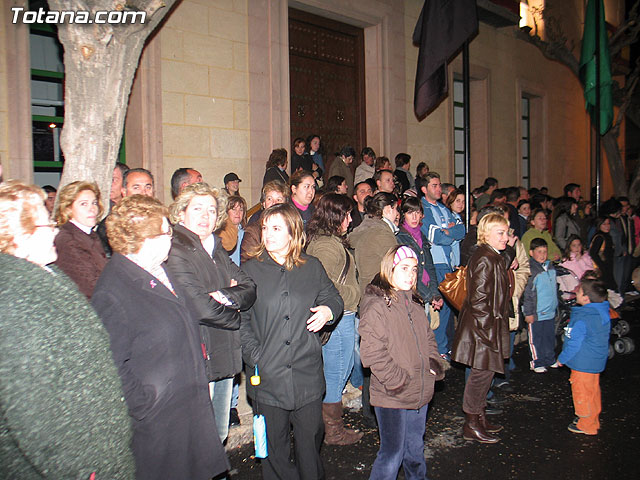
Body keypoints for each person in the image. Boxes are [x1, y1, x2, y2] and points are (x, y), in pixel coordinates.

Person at [0, 181, 135, 479]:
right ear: (17, 234)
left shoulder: (44, 277)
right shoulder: (17, 301)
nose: (54, 228)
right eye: (44, 221)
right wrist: (92, 469)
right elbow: (38, 417)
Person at [92, 195, 229, 480]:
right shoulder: (114, 289)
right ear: (145, 238)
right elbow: (109, 365)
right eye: (167, 233)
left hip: (187, 407)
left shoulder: (160, 270)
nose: (172, 239)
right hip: (160, 422)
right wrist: (146, 402)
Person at [240, 203, 343, 480]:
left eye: (276, 228)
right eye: (264, 228)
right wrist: (255, 355)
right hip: (268, 377)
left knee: (310, 444)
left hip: (306, 373)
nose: (268, 234)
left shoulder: (311, 267)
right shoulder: (250, 271)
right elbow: (241, 320)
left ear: (293, 232)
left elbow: (333, 298)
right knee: (275, 452)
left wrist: (328, 311)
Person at [165, 183, 257, 444]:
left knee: (218, 434)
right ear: (181, 213)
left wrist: (226, 296)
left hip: (224, 352)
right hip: (197, 355)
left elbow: (250, 288)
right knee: (197, 439)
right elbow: (199, 307)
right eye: (198, 209)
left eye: (211, 209)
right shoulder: (175, 249)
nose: (206, 216)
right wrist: (236, 316)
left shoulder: (216, 248)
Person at [359, 245, 443, 480]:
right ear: (390, 270)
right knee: (392, 454)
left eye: (414, 269)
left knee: (415, 449)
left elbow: (428, 339)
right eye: (404, 268)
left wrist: (433, 365)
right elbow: (372, 353)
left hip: (419, 390)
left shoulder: (415, 305)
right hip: (392, 394)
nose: (411, 274)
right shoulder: (377, 306)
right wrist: (398, 381)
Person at [451, 213, 514, 444]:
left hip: (488, 326)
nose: (505, 237)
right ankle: (471, 424)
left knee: (486, 375)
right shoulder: (485, 258)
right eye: (501, 233)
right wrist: (488, 330)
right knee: (480, 377)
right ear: (485, 234)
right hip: (482, 328)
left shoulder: (492, 255)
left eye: (507, 233)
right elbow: (478, 300)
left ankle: (479, 416)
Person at [306, 194, 363, 445]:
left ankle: (329, 425)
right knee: (336, 372)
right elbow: (321, 287)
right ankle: (333, 431)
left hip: (343, 315)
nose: (350, 220)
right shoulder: (326, 246)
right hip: (338, 318)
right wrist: (354, 293)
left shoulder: (330, 241)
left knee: (341, 369)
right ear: (334, 216)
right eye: (346, 214)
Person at [349, 191, 399, 427]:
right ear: (387, 209)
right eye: (396, 209)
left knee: (372, 354)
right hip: (382, 300)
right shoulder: (383, 233)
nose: (398, 214)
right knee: (384, 355)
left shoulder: (364, 229)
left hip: (367, 299)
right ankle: (380, 410)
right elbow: (395, 271)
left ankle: (370, 410)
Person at [419, 173, 465, 358]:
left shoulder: (444, 209)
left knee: (445, 308)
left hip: (448, 264)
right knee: (435, 308)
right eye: (435, 185)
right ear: (425, 189)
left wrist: (449, 232)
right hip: (435, 264)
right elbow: (437, 237)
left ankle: (441, 348)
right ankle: (433, 349)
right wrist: (448, 233)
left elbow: (461, 230)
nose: (439, 189)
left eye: (439, 185)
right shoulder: (423, 209)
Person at [557, 278, 611, 436]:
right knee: (592, 392)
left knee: (582, 393)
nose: (576, 292)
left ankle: (587, 425)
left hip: (583, 363)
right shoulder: (600, 312)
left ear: (586, 297)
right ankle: (592, 419)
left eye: (579, 291)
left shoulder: (583, 318)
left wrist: (562, 358)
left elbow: (574, 343)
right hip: (595, 361)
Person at [53, 181, 107, 298]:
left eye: (94, 203)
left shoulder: (89, 234)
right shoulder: (68, 240)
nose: (92, 209)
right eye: (83, 204)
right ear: (68, 208)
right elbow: (91, 286)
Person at [396, 196, 442, 311]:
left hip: (425, 292)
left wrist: (435, 294)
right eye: (410, 213)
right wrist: (430, 296)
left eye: (417, 212)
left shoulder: (422, 236)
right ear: (403, 215)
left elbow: (429, 267)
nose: (415, 217)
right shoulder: (400, 237)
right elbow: (407, 273)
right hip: (410, 294)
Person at [523, 238, 559, 373]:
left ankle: (549, 358)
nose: (543, 255)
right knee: (536, 338)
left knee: (549, 336)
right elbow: (528, 294)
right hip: (537, 313)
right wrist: (529, 313)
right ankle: (537, 361)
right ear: (531, 253)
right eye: (539, 252)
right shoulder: (532, 271)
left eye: (545, 251)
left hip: (549, 311)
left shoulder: (550, 267)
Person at [241, 181, 289, 263]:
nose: (274, 203)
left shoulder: (291, 228)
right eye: (269, 199)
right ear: (263, 204)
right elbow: (248, 263)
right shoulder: (253, 231)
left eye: (279, 199)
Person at [217, 195, 247, 266]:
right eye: (234, 209)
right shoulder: (221, 234)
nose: (238, 213)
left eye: (241, 210)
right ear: (226, 212)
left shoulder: (246, 233)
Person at [589, 216, 616, 291]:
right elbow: (593, 253)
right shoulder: (600, 237)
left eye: (608, 224)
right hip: (603, 268)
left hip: (607, 266)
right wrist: (602, 266)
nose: (607, 226)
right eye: (604, 224)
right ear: (599, 225)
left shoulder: (606, 236)